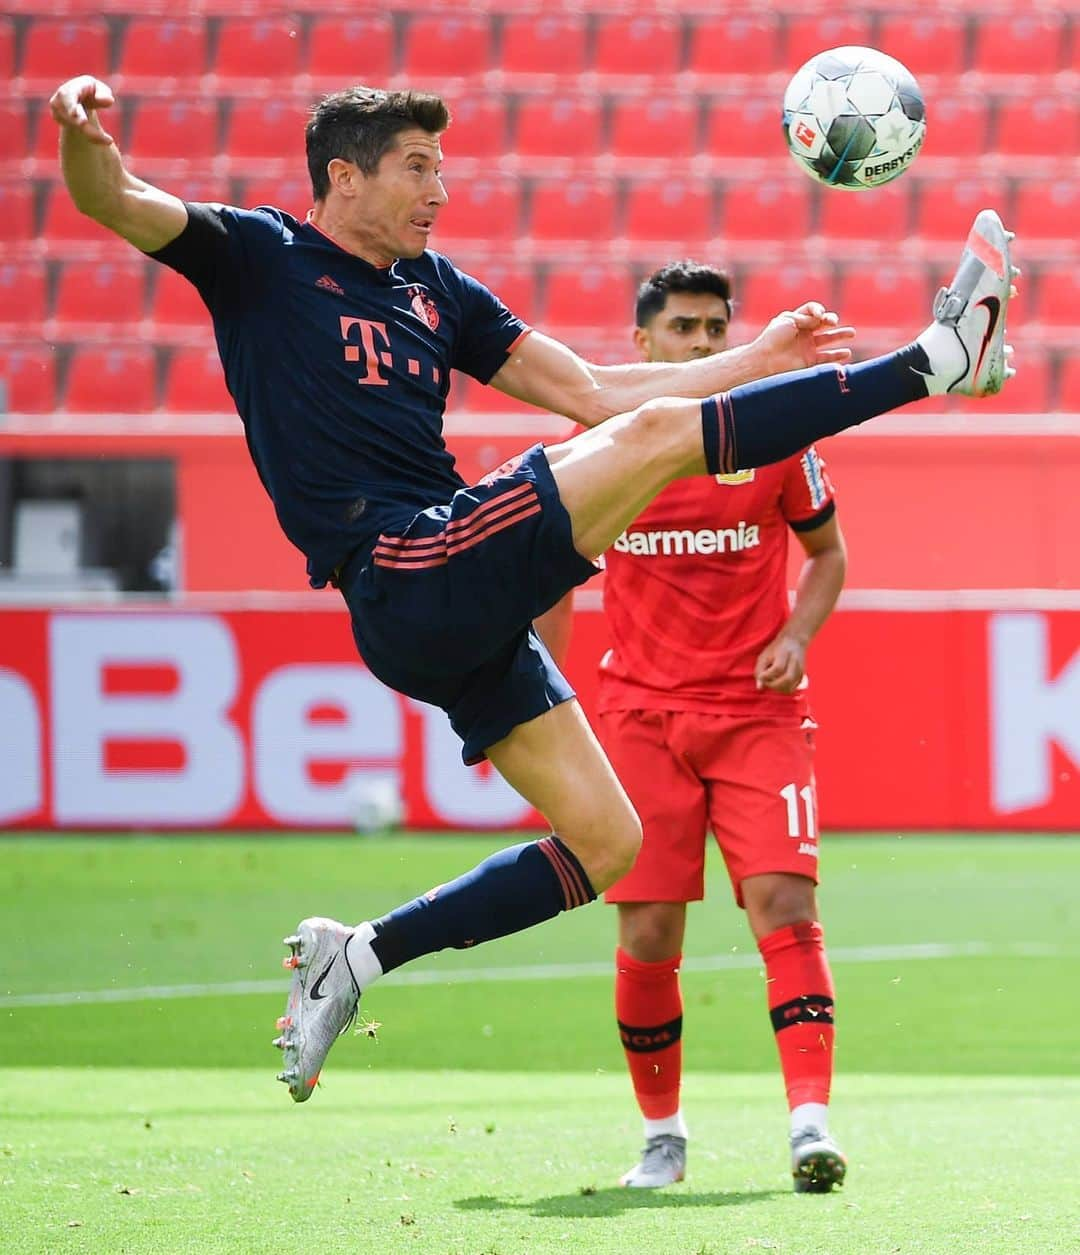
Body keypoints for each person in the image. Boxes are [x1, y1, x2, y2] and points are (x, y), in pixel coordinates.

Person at [49, 77, 1016, 1118]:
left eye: (443, 168)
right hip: (407, 561)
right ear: (344, 174)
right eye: (417, 168)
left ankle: (360, 953)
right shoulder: (259, 257)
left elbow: (596, 391)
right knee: (649, 452)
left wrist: (755, 358)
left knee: (610, 842)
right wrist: (77, 128)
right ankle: (933, 360)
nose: (440, 191)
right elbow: (113, 199)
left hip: (446, 599)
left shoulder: (435, 290)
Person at [537, 262, 848, 1193]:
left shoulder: (777, 431)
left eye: (717, 328)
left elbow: (827, 554)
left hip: (758, 711)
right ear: (643, 345)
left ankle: (809, 1125)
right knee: (648, 932)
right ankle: (663, 1137)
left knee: (787, 909)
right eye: (683, 329)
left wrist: (797, 632)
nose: (705, 345)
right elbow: (550, 579)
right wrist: (539, 702)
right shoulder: (600, 441)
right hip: (638, 715)